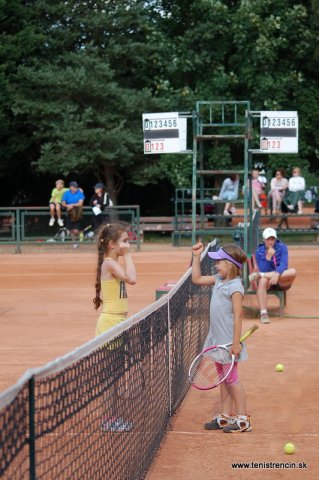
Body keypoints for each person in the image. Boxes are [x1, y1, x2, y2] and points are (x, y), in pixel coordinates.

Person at [191, 242, 251, 433]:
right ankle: (225, 416)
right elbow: (197, 278)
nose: (216, 266)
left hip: (228, 343)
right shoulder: (218, 279)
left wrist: (235, 343)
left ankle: (242, 419)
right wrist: (196, 256)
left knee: (232, 379)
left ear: (230, 264)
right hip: (216, 340)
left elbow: (239, 315)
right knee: (223, 378)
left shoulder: (235, 287)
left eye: (219, 262)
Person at [93, 222, 137, 432]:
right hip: (110, 324)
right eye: (125, 241)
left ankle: (113, 416)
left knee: (116, 375)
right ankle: (109, 418)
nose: (127, 245)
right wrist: (128, 255)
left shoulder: (112, 262)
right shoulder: (110, 263)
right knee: (111, 376)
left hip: (118, 323)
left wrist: (126, 253)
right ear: (112, 244)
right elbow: (133, 279)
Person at [249, 228, 297, 324]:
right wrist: (268, 257)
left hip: (281, 280)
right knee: (262, 281)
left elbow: (284, 264)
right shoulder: (259, 252)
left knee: (293, 272)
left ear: (275, 239)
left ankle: (260, 275)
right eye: (268, 239)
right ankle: (263, 313)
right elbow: (263, 268)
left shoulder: (282, 247)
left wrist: (276, 275)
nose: (270, 242)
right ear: (263, 239)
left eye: (272, 239)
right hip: (267, 282)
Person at [61, 181, 85, 247]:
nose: (76, 188)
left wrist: (72, 205)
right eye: (74, 187)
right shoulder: (66, 193)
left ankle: (81, 234)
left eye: (76, 186)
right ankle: (75, 243)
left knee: (76, 231)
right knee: (71, 230)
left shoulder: (79, 193)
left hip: (77, 213)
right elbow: (63, 203)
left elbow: (80, 203)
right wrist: (68, 206)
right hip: (69, 213)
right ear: (71, 187)